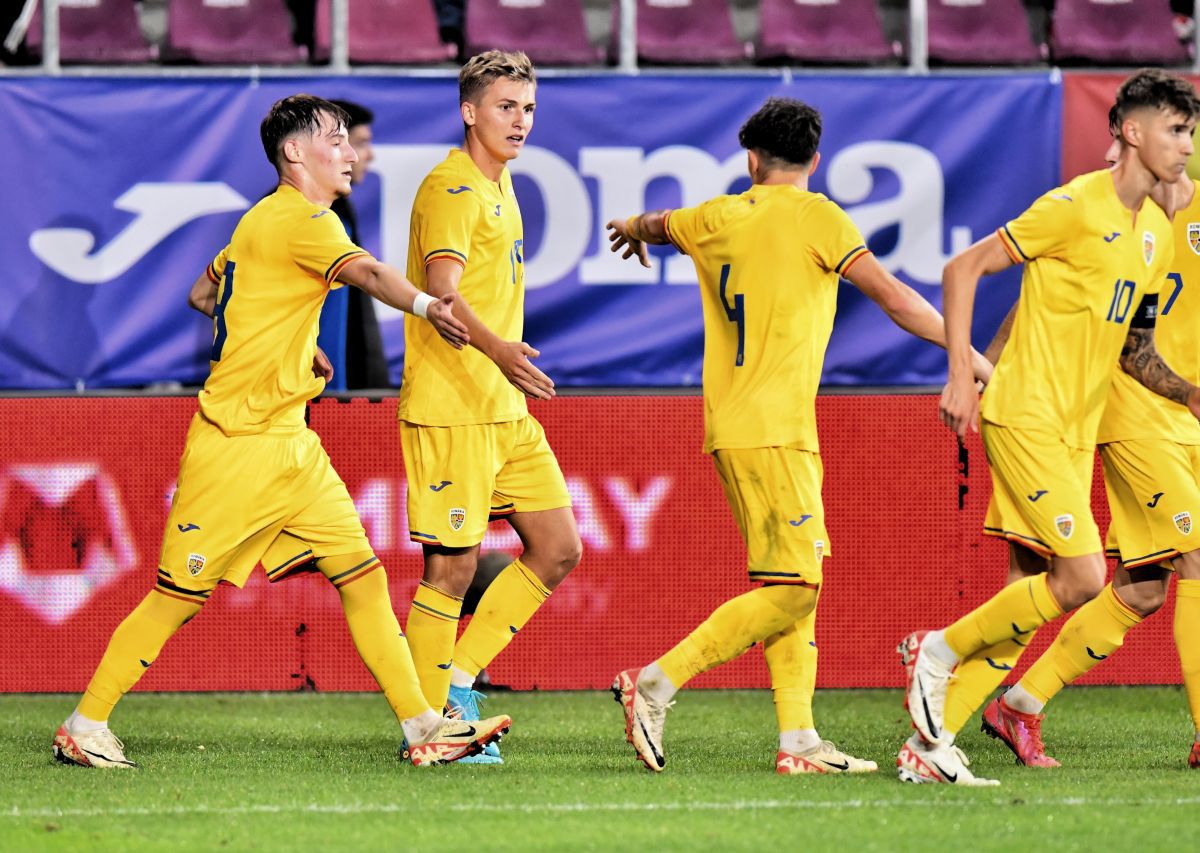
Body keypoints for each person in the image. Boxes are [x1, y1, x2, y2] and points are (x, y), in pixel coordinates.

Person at [51, 94, 510, 770]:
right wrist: (426, 304)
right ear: (295, 153)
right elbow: (370, 273)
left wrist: (292, 345)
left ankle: (423, 727)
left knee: (363, 577)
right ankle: (83, 723)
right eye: (336, 140)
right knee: (178, 595)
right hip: (237, 443)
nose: (351, 152)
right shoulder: (304, 220)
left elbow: (204, 296)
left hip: (291, 444)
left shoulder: (257, 223)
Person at [603, 96, 992, 776]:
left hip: (735, 425)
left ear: (750, 159)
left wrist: (631, 225)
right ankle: (656, 682)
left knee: (792, 579)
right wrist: (969, 356)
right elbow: (896, 298)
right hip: (775, 427)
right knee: (796, 584)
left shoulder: (717, 215)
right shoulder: (817, 216)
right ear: (816, 160)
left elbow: (660, 223)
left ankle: (799, 740)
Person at [900, 69, 1200, 786]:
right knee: (1088, 575)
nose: (1185, 145)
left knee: (1032, 592)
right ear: (1130, 132)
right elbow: (963, 266)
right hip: (1025, 414)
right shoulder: (1072, 205)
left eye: (1189, 132)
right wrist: (961, 375)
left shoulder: (1151, 235)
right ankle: (934, 649)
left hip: (1074, 429)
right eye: (1174, 129)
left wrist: (1189, 391)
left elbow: (1134, 349)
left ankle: (930, 746)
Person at [977, 153, 1200, 770]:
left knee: (1144, 589)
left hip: (1190, 415)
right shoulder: (1148, 209)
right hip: (1137, 409)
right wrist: (988, 366)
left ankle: (1020, 703)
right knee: (1198, 555)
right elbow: (1060, 293)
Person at [398, 50, 581, 765]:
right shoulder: (452, 187)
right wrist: (501, 348)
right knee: (450, 568)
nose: (521, 121)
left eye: (529, 108)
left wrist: (503, 367)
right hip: (452, 407)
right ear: (470, 110)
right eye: (506, 106)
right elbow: (443, 293)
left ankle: (456, 681)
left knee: (559, 546)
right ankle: (430, 725)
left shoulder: (498, 187)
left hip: (502, 410)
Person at [316, 98, 391, 391]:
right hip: (312, 396)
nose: (363, 156)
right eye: (358, 143)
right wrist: (428, 306)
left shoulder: (339, 210)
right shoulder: (313, 217)